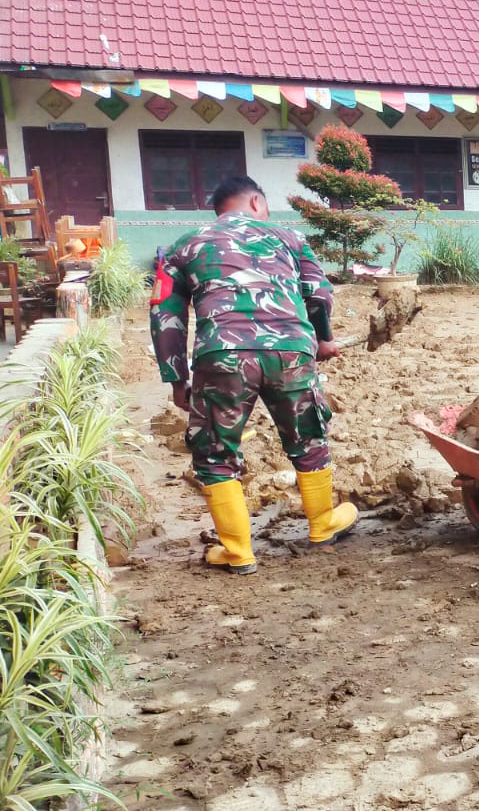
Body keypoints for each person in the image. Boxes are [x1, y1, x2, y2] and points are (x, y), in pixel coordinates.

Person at [150, 175, 357, 575]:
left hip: (222, 356)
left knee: (215, 452)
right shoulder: (289, 238)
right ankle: (322, 526)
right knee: (307, 436)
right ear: (258, 202)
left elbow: (165, 314)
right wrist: (323, 339)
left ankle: (238, 552)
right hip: (291, 352)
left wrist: (176, 379)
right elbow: (318, 292)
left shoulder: (185, 245)